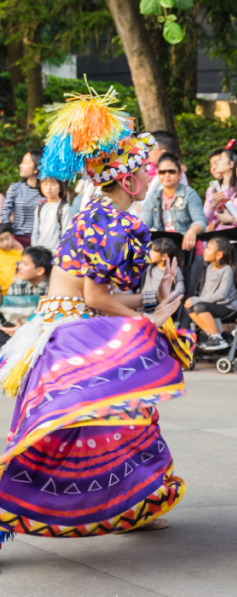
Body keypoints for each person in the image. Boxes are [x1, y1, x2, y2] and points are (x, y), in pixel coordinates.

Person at [0, 90, 192, 547]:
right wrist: (149, 316)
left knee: (127, 414)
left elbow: (105, 294)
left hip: (69, 325)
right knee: (59, 433)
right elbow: (95, 296)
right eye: (144, 169)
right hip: (74, 331)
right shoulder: (115, 223)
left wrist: (153, 300)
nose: (149, 175)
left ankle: (136, 502)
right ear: (127, 182)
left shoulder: (101, 215)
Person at [185, 237, 237, 352]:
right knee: (190, 307)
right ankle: (212, 335)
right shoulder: (209, 268)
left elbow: (222, 294)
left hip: (226, 306)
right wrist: (198, 299)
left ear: (219, 255)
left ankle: (217, 339)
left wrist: (197, 300)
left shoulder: (227, 270)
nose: (205, 250)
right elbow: (206, 290)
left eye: (209, 249)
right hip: (212, 305)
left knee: (199, 306)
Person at [140, 153, 206, 252]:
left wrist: (193, 230)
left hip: (188, 250)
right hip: (163, 251)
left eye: (171, 171)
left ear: (180, 174)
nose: (167, 175)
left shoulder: (189, 194)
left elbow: (201, 221)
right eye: (162, 172)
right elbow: (145, 223)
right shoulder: (153, 196)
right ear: (158, 174)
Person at [204, 144, 237, 236]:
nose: (216, 164)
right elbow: (205, 220)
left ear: (231, 164)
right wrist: (213, 204)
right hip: (218, 238)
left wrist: (233, 220)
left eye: (220, 160)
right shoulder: (213, 190)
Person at [2, 151, 43, 248]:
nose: (21, 165)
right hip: (16, 240)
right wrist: (10, 238)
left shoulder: (46, 191)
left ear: (36, 168)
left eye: (26, 162)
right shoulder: (15, 188)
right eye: (22, 162)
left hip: (40, 241)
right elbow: (4, 214)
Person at [31, 176, 72, 252]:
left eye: (53, 184)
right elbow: (35, 233)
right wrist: (36, 251)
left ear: (60, 187)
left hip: (56, 254)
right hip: (40, 253)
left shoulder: (64, 208)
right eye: (45, 184)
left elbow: (66, 235)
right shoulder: (39, 209)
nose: (49, 188)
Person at [141, 237, 185, 301]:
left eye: (154, 251)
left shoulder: (175, 269)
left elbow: (180, 289)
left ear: (164, 256)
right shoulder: (149, 267)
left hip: (162, 302)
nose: (150, 253)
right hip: (144, 300)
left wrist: (168, 298)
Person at [0, 224, 24, 295]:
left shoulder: (20, 253)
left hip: (16, 290)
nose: (5, 243)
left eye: (7, 238)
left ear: (12, 237)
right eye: (1, 240)